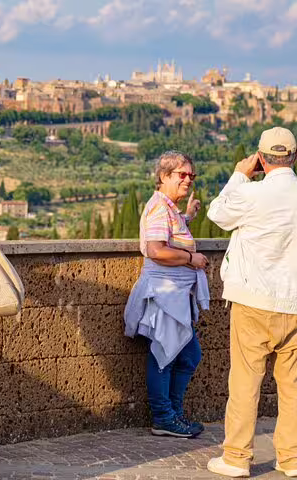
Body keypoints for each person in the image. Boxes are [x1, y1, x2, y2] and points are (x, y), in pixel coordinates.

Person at [206, 127, 297, 478]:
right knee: (293, 386)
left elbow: (217, 213)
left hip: (253, 301)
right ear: (295, 156)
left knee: (245, 382)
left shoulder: (251, 195)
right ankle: (292, 462)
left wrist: (240, 176)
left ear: (261, 158)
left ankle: (237, 458)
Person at [123, 150, 210, 439]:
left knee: (185, 355)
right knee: (165, 356)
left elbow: (167, 236)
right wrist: (190, 258)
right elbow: (156, 249)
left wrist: (187, 217)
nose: (188, 180)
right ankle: (164, 417)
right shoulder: (160, 207)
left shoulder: (168, 208)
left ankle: (172, 414)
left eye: (191, 175)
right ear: (164, 176)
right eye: (181, 174)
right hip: (165, 296)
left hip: (173, 297)